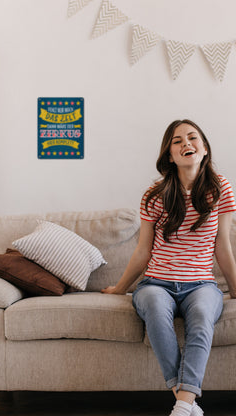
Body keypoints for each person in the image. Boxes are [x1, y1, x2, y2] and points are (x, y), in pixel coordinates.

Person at [102, 119, 236, 416]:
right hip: (155, 284)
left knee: (202, 315)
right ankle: (186, 402)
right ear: (170, 155)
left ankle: (182, 405)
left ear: (204, 149)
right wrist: (120, 288)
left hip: (201, 285)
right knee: (153, 308)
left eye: (192, 138)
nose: (186, 143)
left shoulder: (221, 189)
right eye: (177, 141)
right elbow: (143, 251)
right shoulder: (155, 194)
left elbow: (222, 246)